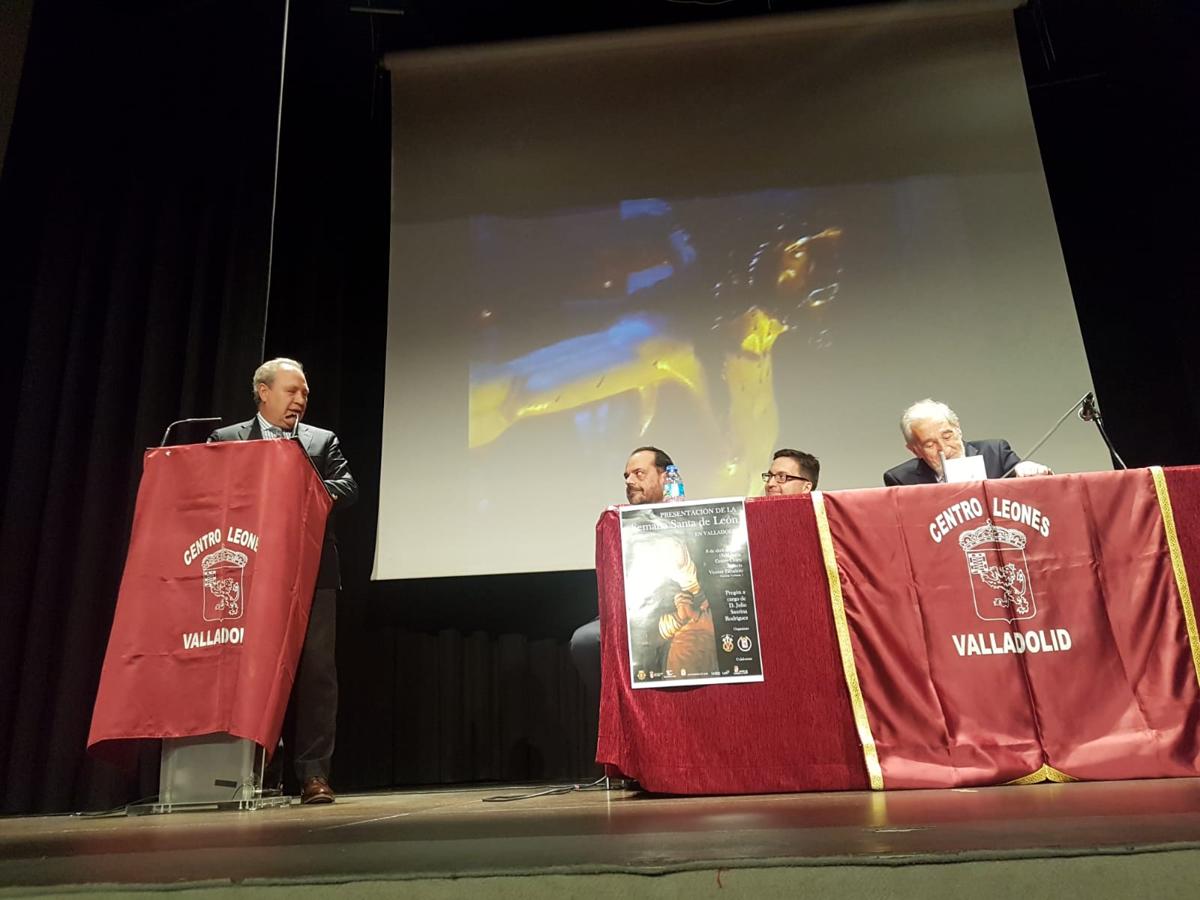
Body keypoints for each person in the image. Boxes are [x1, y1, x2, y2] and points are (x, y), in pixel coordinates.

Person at [208, 358, 358, 805]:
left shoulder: (320, 441)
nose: (300, 400)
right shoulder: (228, 439)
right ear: (263, 392)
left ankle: (314, 775)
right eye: (292, 391)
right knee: (252, 670)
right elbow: (211, 495)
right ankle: (253, 772)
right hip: (250, 572)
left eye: (305, 394)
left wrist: (310, 494)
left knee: (316, 674)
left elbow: (347, 485)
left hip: (313, 575)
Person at [569, 446, 673, 698]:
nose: (629, 481)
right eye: (626, 476)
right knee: (583, 641)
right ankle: (613, 707)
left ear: (665, 477)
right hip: (626, 611)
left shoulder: (692, 516)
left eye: (638, 473)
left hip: (675, 607)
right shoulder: (616, 521)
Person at [882, 398, 1052, 486]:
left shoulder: (995, 453)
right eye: (930, 445)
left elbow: (1027, 485)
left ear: (958, 429)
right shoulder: (901, 479)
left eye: (947, 436)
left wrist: (1029, 470)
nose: (943, 449)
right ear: (915, 450)